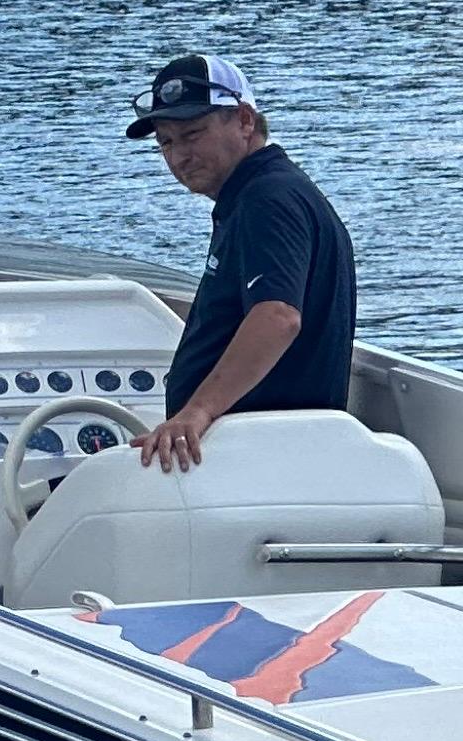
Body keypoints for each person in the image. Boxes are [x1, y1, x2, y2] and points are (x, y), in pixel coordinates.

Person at [122, 52, 358, 474]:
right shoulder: (266, 192)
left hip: (259, 456)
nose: (179, 157)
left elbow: (277, 316)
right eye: (166, 142)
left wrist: (196, 413)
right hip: (267, 453)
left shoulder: (266, 199)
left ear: (245, 121)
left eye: (193, 134)